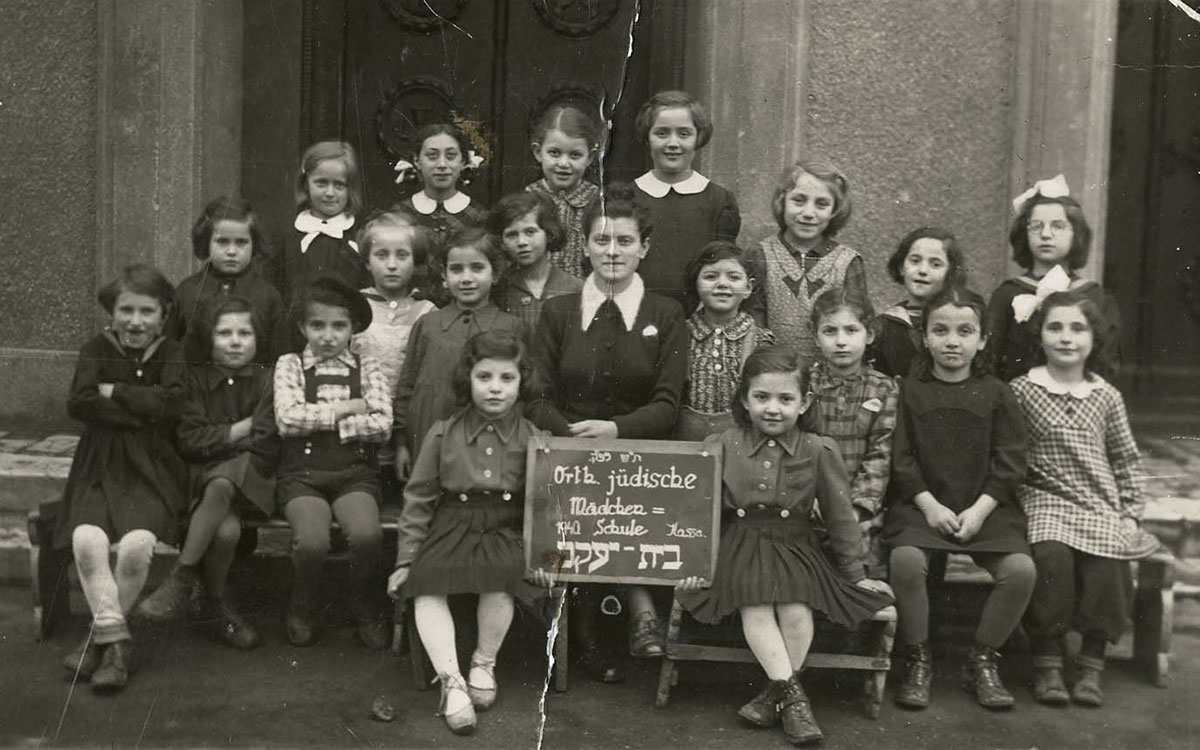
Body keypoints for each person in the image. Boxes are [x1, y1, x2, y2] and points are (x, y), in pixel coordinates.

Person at [677, 346, 893, 746]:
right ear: (744, 398)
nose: (772, 408)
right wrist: (694, 562)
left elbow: (840, 518)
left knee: (796, 609)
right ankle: (795, 702)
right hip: (741, 543)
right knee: (756, 603)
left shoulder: (817, 449)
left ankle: (774, 696)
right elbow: (698, 509)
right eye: (761, 397)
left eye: (785, 398)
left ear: (804, 401)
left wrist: (856, 576)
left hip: (795, 543)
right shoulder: (723, 443)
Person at [527, 182, 687, 683]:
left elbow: (667, 404)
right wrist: (574, 436)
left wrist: (618, 431)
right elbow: (536, 396)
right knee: (577, 503)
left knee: (627, 508)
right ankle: (594, 635)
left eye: (623, 241)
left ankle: (632, 616)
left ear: (644, 247)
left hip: (642, 460)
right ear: (586, 246)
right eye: (601, 240)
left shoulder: (666, 314)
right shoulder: (557, 313)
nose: (612, 251)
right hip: (570, 453)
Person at [885, 286, 1035, 711]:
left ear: (983, 339)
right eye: (941, 330)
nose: (953, 341)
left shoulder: (999, 393)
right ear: (924, 337)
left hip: (984, 508)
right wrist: (929, 505)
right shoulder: (909, 391)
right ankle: (917, 655)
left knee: (1020, 571)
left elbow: (1011, 462)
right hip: (923, 506)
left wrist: (981, 508)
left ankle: (982, 659)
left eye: (965, 331)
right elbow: (902, 458)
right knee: (906, 560)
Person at [387, 331, 545, 735]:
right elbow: (419, 498)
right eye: (484, 377)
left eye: (507, 379)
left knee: (502, 574)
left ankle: (483, 662)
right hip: (452, 522)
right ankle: (451, 681)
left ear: (521, 382)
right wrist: (406, 559)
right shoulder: (444, 432)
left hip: (503, 526)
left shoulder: (533, 438)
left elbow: (546, 505)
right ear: (467, 380)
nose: (495, 388)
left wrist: (549, 558)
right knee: (426, 581)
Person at [1009, 290, 1161, 707]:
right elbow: (1008, 455)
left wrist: (1130, 513)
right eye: (1055, 327)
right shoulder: (1022, 390)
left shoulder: (1105, 395)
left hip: (1098, 504)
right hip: (1044, 500)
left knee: (1108, 564)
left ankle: (1092, 664)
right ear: (1039, 335)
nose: (1066, 337)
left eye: (1078, 328)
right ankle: (1048, 663)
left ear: (1094, 338)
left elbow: (1126, 459)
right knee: (1050, 558)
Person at [54, 264, 187, 694]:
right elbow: (80, 402)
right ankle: (115, 645)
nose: (135, 321)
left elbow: (173, 405)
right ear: (111, 312)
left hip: (153, 468)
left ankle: (98, 640)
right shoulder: (95, 348)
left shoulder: (172, 353)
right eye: (125, 310)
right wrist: (141, 409)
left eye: (146, 311)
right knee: (87, 541)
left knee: (135, 547)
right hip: (99, 464)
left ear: (163, 315)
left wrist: (115, 392)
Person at [138, 296, 277, 650]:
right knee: (227, 532)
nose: (234, 341)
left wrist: (220, 439)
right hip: (202, 478)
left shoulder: (268, 380)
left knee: (222, 481)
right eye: (224, 333)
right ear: (208, 338)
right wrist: (237, 431)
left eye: (244, 333)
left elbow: (265, 437)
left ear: (258, 338)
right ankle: (216, 606)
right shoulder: (195, 380)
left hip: (252, 479)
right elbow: (188, 438)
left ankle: (182, 576)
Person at [273, 276, 392, 649]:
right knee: (311, 541)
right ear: (302, 327)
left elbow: (382, 424)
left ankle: (364, 601)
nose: (328, 335)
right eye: (317, 326)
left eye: (338, 326)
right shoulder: (291, 365)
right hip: (302, 476)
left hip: (354, 475)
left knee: (367, 535)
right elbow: (288, 419)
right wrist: (348, 409)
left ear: (352, 328)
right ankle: (304, 602)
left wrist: (327, 423)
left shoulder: (367, 367)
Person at [394, 227, 522, 469]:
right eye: (456, 269)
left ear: (495, 274)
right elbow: (406, 389)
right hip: (425, 446)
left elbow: (523, 394)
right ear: (444, 275)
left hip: (488, 454)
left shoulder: (512, 327)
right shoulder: (428, 324)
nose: (466, 278)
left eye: (477, 268)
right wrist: (401, 444)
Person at [800, 288, 898, 578]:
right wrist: (810, 500)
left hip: (861, 507)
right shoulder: (806, 384)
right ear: (816, 336)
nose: (841, 341)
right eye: (830, 331)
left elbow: (881, 454)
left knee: (861, 559)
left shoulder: (884, 388)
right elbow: (797, 446)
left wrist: (856, 510)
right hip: (810, 503)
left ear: (869, 335)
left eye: (851, 330)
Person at [987, 174, 1120, 383]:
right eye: (1037, 226)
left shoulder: (1095, 297)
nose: (1046, 234)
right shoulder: (1007, 295)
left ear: (1076, 234)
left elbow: (1106, 364)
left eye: (1057, 226)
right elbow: (991, 363)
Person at [745, 158, 868, 364]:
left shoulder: (847, 262)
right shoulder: (761, 254)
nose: (809, 213)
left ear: (835, 210)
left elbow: (856, 324)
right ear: (782, 201)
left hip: (831, 374)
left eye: (821, 204)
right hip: (773, 373)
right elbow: (753, 321)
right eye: (799, 200)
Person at [632, 90, 740, 306]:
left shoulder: (719, 201)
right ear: (647, 136)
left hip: (697, 320)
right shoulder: (626, 198)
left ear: (698, 137)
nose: (673, 143)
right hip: (636, 316)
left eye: (684, 134)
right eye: (662, 133)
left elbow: (721, 266)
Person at [352, 210, 436, 486]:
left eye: (402, 256)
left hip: (408, 427)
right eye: (381, 255)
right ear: (366, 261)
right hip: (360, 424)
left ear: (415, 261)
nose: (391, 265)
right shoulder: (352, 309)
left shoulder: (427, 312)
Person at [169, 196, 289, 364]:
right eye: (222, 242)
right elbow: (171, 350)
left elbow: (281, 356)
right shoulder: (187, 291)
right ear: (206, 242)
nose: (232, 251)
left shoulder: (268, 296)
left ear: (254, 244)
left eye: (241, 242)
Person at [674, 240, 774, 441]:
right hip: (686, 444)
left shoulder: (761, 341)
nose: (722, 284)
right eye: (711, 276)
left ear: (748, 288)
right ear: (695, 284)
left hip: (742, 444)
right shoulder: (679, 334)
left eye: (734, 277)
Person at [393, 123, 488, 299]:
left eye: (451, 156)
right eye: (432, 156)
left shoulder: (478, 215)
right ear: (416, 161)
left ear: (463, 162)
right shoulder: (400, 214)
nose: (442, 164)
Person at [280, 141, 370, 305]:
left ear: (350, 189)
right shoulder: (289, 237)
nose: (330, 193)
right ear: (305, 184)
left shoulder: (359, 235)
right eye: (321, 183)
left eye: (339, 185)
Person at [869, 227, 965, 379]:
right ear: (901, 267)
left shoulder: (960, 321)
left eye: (935, 264)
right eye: (915, 261)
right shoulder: (884, 326)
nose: (922, 270)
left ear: (950, 273)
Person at [524, 104, 604, 278]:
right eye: (554, 153)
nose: (564, 163)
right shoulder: (528, 199)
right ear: (538, 153)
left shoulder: (597, 200)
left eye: (575, 155)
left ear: (590, 157)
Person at [489, 191, 582, 330]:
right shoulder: (498, 289)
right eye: (511, 235)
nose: (522, 242)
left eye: (530, 232)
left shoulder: (574, 288)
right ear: (501, 241)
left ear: (549, 233)